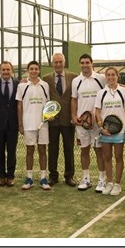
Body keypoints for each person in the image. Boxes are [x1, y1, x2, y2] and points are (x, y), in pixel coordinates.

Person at [71, 53, 107, 192]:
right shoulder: (76, 81)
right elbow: (74, 99)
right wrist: (74, 116)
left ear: (92, 64)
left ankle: (102, 180)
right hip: (82, 124)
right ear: (80, 64)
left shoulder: (101, 79)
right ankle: (86, 179)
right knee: (84, 150)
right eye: (82, 62)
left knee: (99, 151)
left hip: (97, 123)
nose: (85, 65)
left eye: (87, 62)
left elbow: (111, 86)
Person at [42, 53, 77, 187]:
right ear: (52, 64)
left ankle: (69, 176)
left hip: (68, 120)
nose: (58, 64)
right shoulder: (45, 79)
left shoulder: (74, 77)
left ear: (64, 62)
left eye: (60, 62)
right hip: (53, 121)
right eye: (55, 62)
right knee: (52, 149)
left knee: (69, 149)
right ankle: (53, 176)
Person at [94, 67, 125, 196]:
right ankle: (109, 183)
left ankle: (117, 184)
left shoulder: (124, 92)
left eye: (113, 75)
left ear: (117, 76)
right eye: (108, 75)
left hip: (120, 131)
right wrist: (101, 127)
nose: (110, 77)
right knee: (107, 157)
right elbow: (97, 111)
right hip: (106, 131)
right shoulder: (101, 93)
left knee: (119, 157)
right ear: (106, 77)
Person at [16, 61, 51, 190]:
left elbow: (48, 103)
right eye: (31, 69)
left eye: (36, 69)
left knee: (43, 150)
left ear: (39, 70)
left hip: (43, 124)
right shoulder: (22, 86)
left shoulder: (45, 85)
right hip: (28, 123)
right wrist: (20, 124)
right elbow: (19, 106)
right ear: (28, 70)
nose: (34, 71)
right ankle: (29, 177)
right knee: (29, 150)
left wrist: (49, 115)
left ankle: (43, 178)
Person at [0, 61, 19, 187]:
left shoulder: (19, 85)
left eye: (8, 69)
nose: (6, 72)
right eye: (3, 70)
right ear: (0, 71)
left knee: (12, 151)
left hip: (13, 124)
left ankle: (11, 176)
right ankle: (1, 176)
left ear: (12, 70)